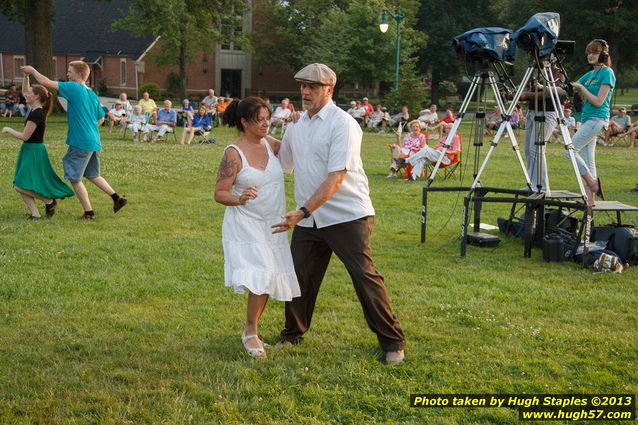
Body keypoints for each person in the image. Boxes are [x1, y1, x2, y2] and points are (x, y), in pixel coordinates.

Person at [273, 63, 406, 365]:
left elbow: (336, 178)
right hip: (309, 217)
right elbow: (284, 161)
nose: (305, 92)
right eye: (302, 86)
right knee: (298, 276)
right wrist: (256, 132)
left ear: (329, 90)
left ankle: (393, 342)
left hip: (347, 215)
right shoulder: (296, 125)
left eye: (313, 87)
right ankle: (292, 334)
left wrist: (302, 211)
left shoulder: (343, 124)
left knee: (364, 277)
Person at [214, 97, 300, 358]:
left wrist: (296, 126)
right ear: (243, 122)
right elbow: (219, 193)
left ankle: (251, 329)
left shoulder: (269, 143)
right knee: (261, 274)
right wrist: (239, 198)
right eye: (259, 120)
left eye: (267, 119)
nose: (265, 125)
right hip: (245, 224)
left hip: (273, 223)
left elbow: (291, 152)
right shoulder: (233, 152)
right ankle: (250, 332)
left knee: (269, 276)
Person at [20, 62, 126, 220]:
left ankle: (89, 213)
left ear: (79, 74)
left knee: (75, 178)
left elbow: (45, 82)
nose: (67, 74)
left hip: (81, 142)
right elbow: (101, 118)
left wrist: (33, 70)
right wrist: (89, 129)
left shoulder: (74, 88)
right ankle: (117, 198)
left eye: (69, 72)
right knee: (92, 174)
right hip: (94, 141)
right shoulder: (91, 93)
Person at [1, 74, 74, 219]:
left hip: (34, 150)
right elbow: (25, 91)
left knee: (19, 185)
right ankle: (35, 214)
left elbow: (25, 137)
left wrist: (8, 129)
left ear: (36, 97)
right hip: (29, 150)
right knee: (22, 183)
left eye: (29, 93)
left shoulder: (37, 114)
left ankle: (49, 200)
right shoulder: (35, 109)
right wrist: (26, 77)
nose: (25, 95)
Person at [569, 39, 615, 205]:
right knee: (589, 159)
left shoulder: (607, 73)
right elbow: (570, 87)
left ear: (603, 54)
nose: (590, 55)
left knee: (569, 150)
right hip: (588, 119)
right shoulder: (589, 75)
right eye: (588, 52)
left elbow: (598, 102)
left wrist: (582, 89)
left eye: (594, 52)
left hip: (598, 118)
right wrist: (544, 87)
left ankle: (592, 183)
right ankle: (590, 201)